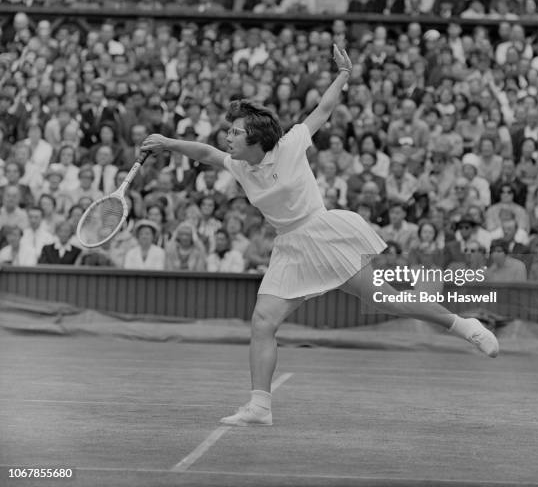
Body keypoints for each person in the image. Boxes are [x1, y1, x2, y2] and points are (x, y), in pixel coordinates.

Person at [141, 44, 499, 428]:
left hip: (323, 235)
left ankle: (467, 327)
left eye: (235, 132)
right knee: (263, 321)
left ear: (257, 139)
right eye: (229, 131)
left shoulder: (291, 144)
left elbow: (323, 110)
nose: (228, 137)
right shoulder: (239, 165)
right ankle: (260, 406)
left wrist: (344, 74)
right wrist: (168, 143)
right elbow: (207, 154)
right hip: (289, 248)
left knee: (387, 300)